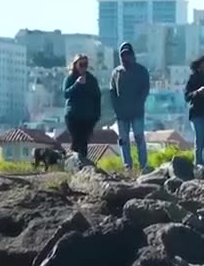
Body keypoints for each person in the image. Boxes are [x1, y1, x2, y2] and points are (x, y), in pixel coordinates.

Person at [110, 42, 151, 173]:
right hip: (121, 114)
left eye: (127, 54)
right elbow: (112, 92)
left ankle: (143, 165)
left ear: (132, 55)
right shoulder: (116, 72)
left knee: (139, 137)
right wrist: (116, 108)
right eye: (123, 55)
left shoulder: (141, 70)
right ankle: (127, 166)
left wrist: (139, 102)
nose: (125, 57)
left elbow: (146, 89)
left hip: (137, 112)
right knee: (123, 140)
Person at [63, 54, 102, 163]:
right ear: (75, 65)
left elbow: (97, 96)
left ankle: (83, 166)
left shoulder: (92, 80)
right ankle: (73, 165)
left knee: (84, 143)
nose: (83, 67)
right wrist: (77, 84)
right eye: (81, 64)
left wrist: (97, 115)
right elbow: (66, 94)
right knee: (75, 141)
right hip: (73, 116)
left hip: (87, 117)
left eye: (86, 64)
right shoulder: (70, 78)